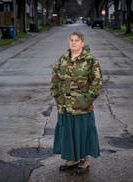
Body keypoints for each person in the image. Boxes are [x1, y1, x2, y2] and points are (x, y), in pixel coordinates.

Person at [50, 32, 103, 174]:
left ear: (82, 43)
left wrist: (86, 100)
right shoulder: (62, 59)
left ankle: (84, 160)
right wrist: (57, 96)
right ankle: (72, 159)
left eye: (77, 40)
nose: (73, 43)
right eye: (71, 40)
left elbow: (96, 84)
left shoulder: (90, 61)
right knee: (68, 133)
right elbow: (54, 80)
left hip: (82, 107)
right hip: (65, 106)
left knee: (82, 133)